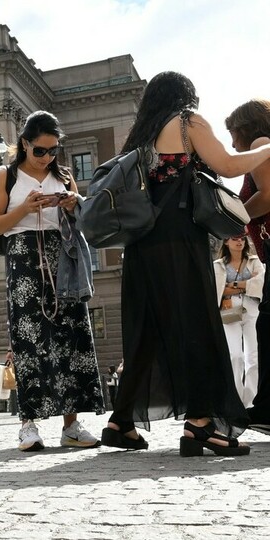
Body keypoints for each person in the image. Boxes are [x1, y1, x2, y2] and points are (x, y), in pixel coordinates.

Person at [100, 72, 270, 457]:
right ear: (185, 96)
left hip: (141, 245)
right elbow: (227, 165)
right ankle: (200, 423)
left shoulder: (141, 137)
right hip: (178, 239)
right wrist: (266, 149)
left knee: (147, 333)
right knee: (196, 324)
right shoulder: (186, 121)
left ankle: (120, 422)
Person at [0, 110, 105, 452]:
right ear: (25, 144)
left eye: (53, 150)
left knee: (72, 337)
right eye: (40, 150)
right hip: (23, 259)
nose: (47, 157)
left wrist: (72, 204)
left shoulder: (64, 176)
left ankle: (71, 426)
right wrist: (24, 208)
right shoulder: (4, 177)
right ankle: (28, 424)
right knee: (29, 340)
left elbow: (81, 223)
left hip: (63, 257)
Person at [225, 98, 270, 434]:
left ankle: (266, 408)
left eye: (233, 135)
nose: (232, 145)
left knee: (267, 327)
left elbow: (268, 194)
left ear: (246, 128)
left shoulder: (261, 143)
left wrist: (234, 217)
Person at [213, 234, 264, 408]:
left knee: (254, 357)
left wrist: (232, 286)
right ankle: (235, 401)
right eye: (235, 238)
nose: (239, 241)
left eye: (242, 238)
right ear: (226, 242)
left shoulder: (254, 261)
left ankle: (250, 402)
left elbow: (261, 283)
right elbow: (217, 290)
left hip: (252, 308)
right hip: (229, 310)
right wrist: (246, 283)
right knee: (235, 355)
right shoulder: (218, 265)